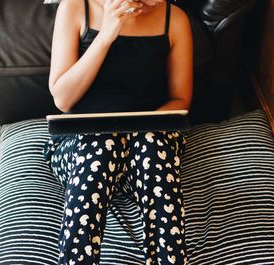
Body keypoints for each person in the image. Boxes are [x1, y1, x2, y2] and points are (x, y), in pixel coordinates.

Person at [44, 0, 193, 264]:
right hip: (83, 148)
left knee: (153, 144)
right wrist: (106, 35)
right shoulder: (76, 7)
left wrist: (139, 128)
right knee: (103, 144)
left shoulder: (175, 19)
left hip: (147, 148)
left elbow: (180, 99)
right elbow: (63, 99)